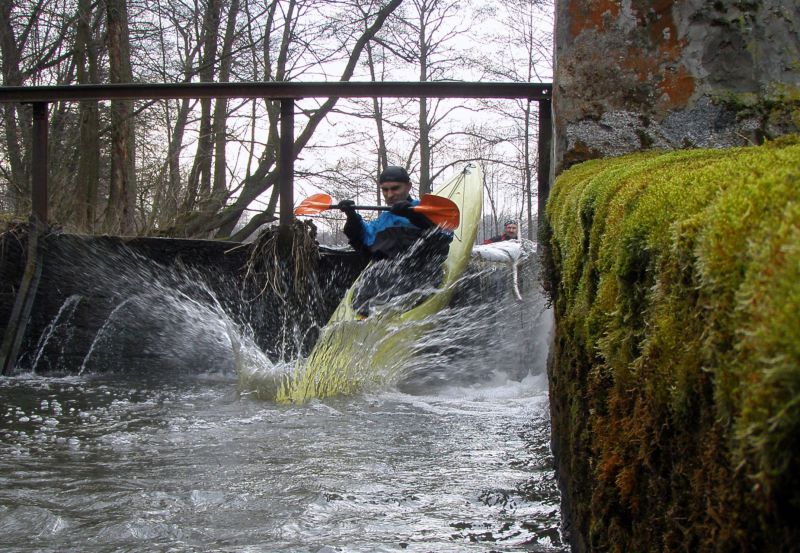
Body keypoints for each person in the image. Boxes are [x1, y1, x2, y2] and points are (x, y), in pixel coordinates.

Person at [339, 165, 452, 316]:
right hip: (391, 276)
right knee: (372, 280)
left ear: (408, 187)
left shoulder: (423, 209)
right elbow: (364, 242)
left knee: (399, 280)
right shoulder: (384, 219)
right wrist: (352, 218)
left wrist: (414, 216)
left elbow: (443, 237)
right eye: (385, 190)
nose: (389, 195)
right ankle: (367, 316)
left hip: (421, 273)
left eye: (395, 188)